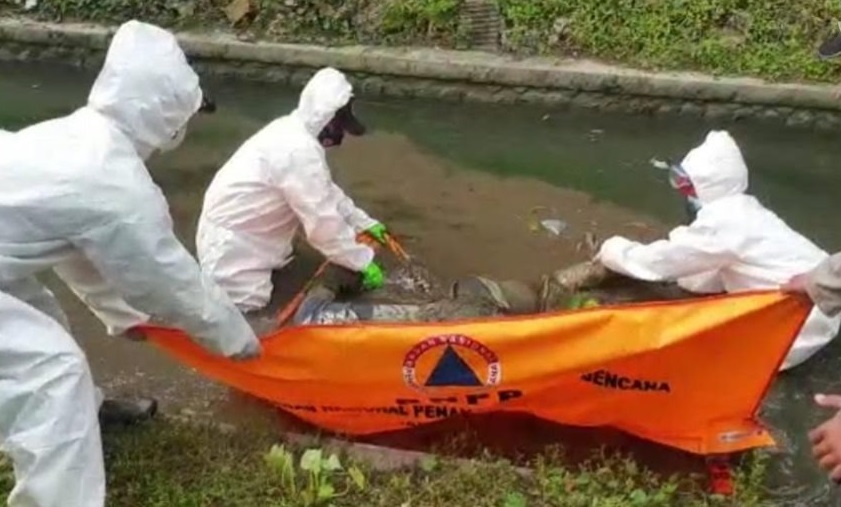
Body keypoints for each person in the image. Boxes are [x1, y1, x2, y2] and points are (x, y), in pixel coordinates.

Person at [0, 20, 261, 507]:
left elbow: (76, 248)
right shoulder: (117, 185)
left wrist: (122, 317)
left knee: (42, 322)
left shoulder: (71, 136)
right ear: (166, 118)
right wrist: (237, 338)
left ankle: (86, 419)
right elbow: (170, 282)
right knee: (52, 374)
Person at [593, 130, 841, 372]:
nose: (683, 191)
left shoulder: (721, 224)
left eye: (685, 184)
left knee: (696, 348)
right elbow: (707, 268)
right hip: (825, 303)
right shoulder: (746, 210)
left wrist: (612, 250)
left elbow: (656, 263)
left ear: (703, 185)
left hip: (798, 325)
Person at [196, 67, 388, 329]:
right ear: (328, 120)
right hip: (232, 249)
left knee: (278, 285)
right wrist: (361, 261)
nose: (340, 138)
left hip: (253, 237)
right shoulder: (297, 152)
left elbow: (325, 191)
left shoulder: (291, 131)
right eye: (340, 128)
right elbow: (322, 225)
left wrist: (363, 223)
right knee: (246, 320)